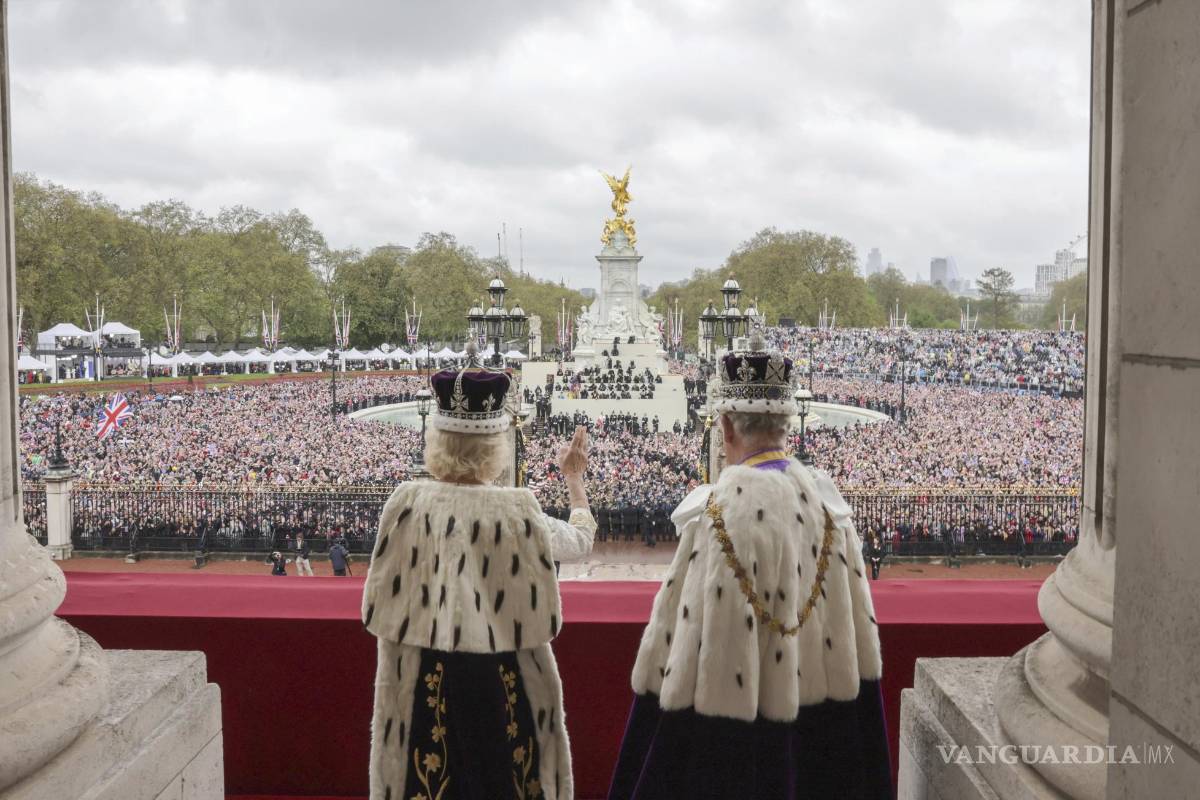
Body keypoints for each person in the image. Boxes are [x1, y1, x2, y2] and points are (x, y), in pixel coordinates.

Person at [608, 333, 890, 800]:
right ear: (785, 423)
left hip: (732, 738)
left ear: (727, 428)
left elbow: (686, 649)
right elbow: (859, 640)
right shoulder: (829, 508)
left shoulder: (716, 514)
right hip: (822, 729)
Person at [361, 348, 596, 800]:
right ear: (496, 447)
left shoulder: (405, 504)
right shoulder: (518, 511)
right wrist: (574, 481)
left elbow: (376, 608)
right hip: (503, 680)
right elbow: (580, 543)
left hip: (421, 680)